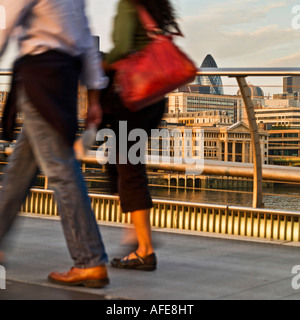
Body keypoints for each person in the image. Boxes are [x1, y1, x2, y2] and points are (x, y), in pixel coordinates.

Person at [0, 0, 109, 288]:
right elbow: (86, 40)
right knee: (18, 174)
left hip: (39, 79)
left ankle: (90, 260)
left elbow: (3, 25)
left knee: (61, 171)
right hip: (63, 80)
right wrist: (95, 97)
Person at [101, 0, 182, 271]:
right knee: (118, 162)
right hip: (154, 97)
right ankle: (135, 230)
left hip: (133, 98)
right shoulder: (154, 7)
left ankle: (144, 249)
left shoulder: (128, 4)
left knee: (129, 167)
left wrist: (101, 63)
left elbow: (122, 48)